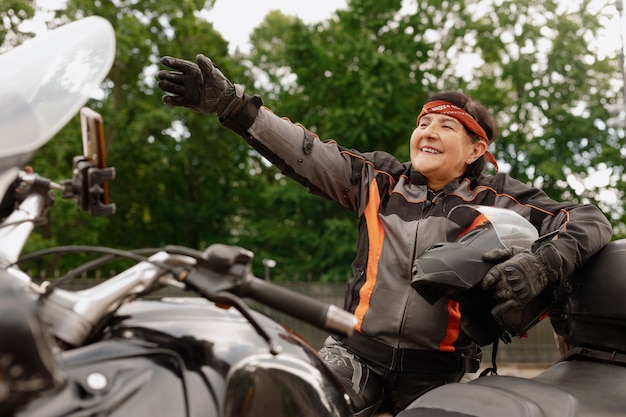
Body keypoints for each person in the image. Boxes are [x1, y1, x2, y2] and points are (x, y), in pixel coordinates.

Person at [156, 54, 612, 416]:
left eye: (446, 125)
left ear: (477, 149)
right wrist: (232, 104)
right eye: (423, 123)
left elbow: (590, 219)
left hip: (440, 372)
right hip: (355, 355)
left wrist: (541, 263)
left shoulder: (500, 197)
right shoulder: (379, 179)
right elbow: (302, 148)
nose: (428, 130)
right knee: (287, 401)